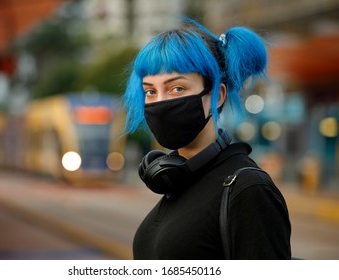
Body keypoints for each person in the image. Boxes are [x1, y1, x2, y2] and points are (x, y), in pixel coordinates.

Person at [123, 18, 291, 260]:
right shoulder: (177, 181)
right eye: (150, 91)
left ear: (218, 95)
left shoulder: (247, 189)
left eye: (177, 88)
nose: (159, 102)